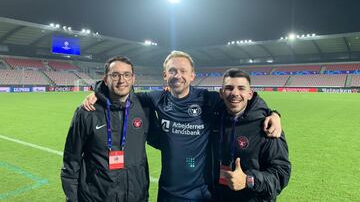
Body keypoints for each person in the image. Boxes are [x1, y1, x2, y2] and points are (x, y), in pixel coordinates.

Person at [83, 51, 282, 201]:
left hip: (202, 193)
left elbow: (241, 99)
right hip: (168, 192)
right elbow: (122, 94)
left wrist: (273, 113)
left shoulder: (208, 99)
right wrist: (100, 94)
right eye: (172, 70)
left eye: (183, 71)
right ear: (164, 75)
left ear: (192, 75)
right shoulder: (155, 98)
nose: (178, 75)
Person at [61, 56, 152, 202]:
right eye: (115, 75)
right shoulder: (86, 112)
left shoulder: (144, 108)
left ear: (133, 79)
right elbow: (71, 160)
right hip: (96, 197)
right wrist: (72, 198)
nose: (122, 80)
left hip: (136, 196)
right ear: (105, 79)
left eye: (127, 74)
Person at [212, 68, 291, 201]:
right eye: (229, 88)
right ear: (221, 93)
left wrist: (248, 180)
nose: (235, 93)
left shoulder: (267, 126)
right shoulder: (213, 118)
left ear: (250, 94)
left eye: (241, 88)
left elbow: (281, 173)